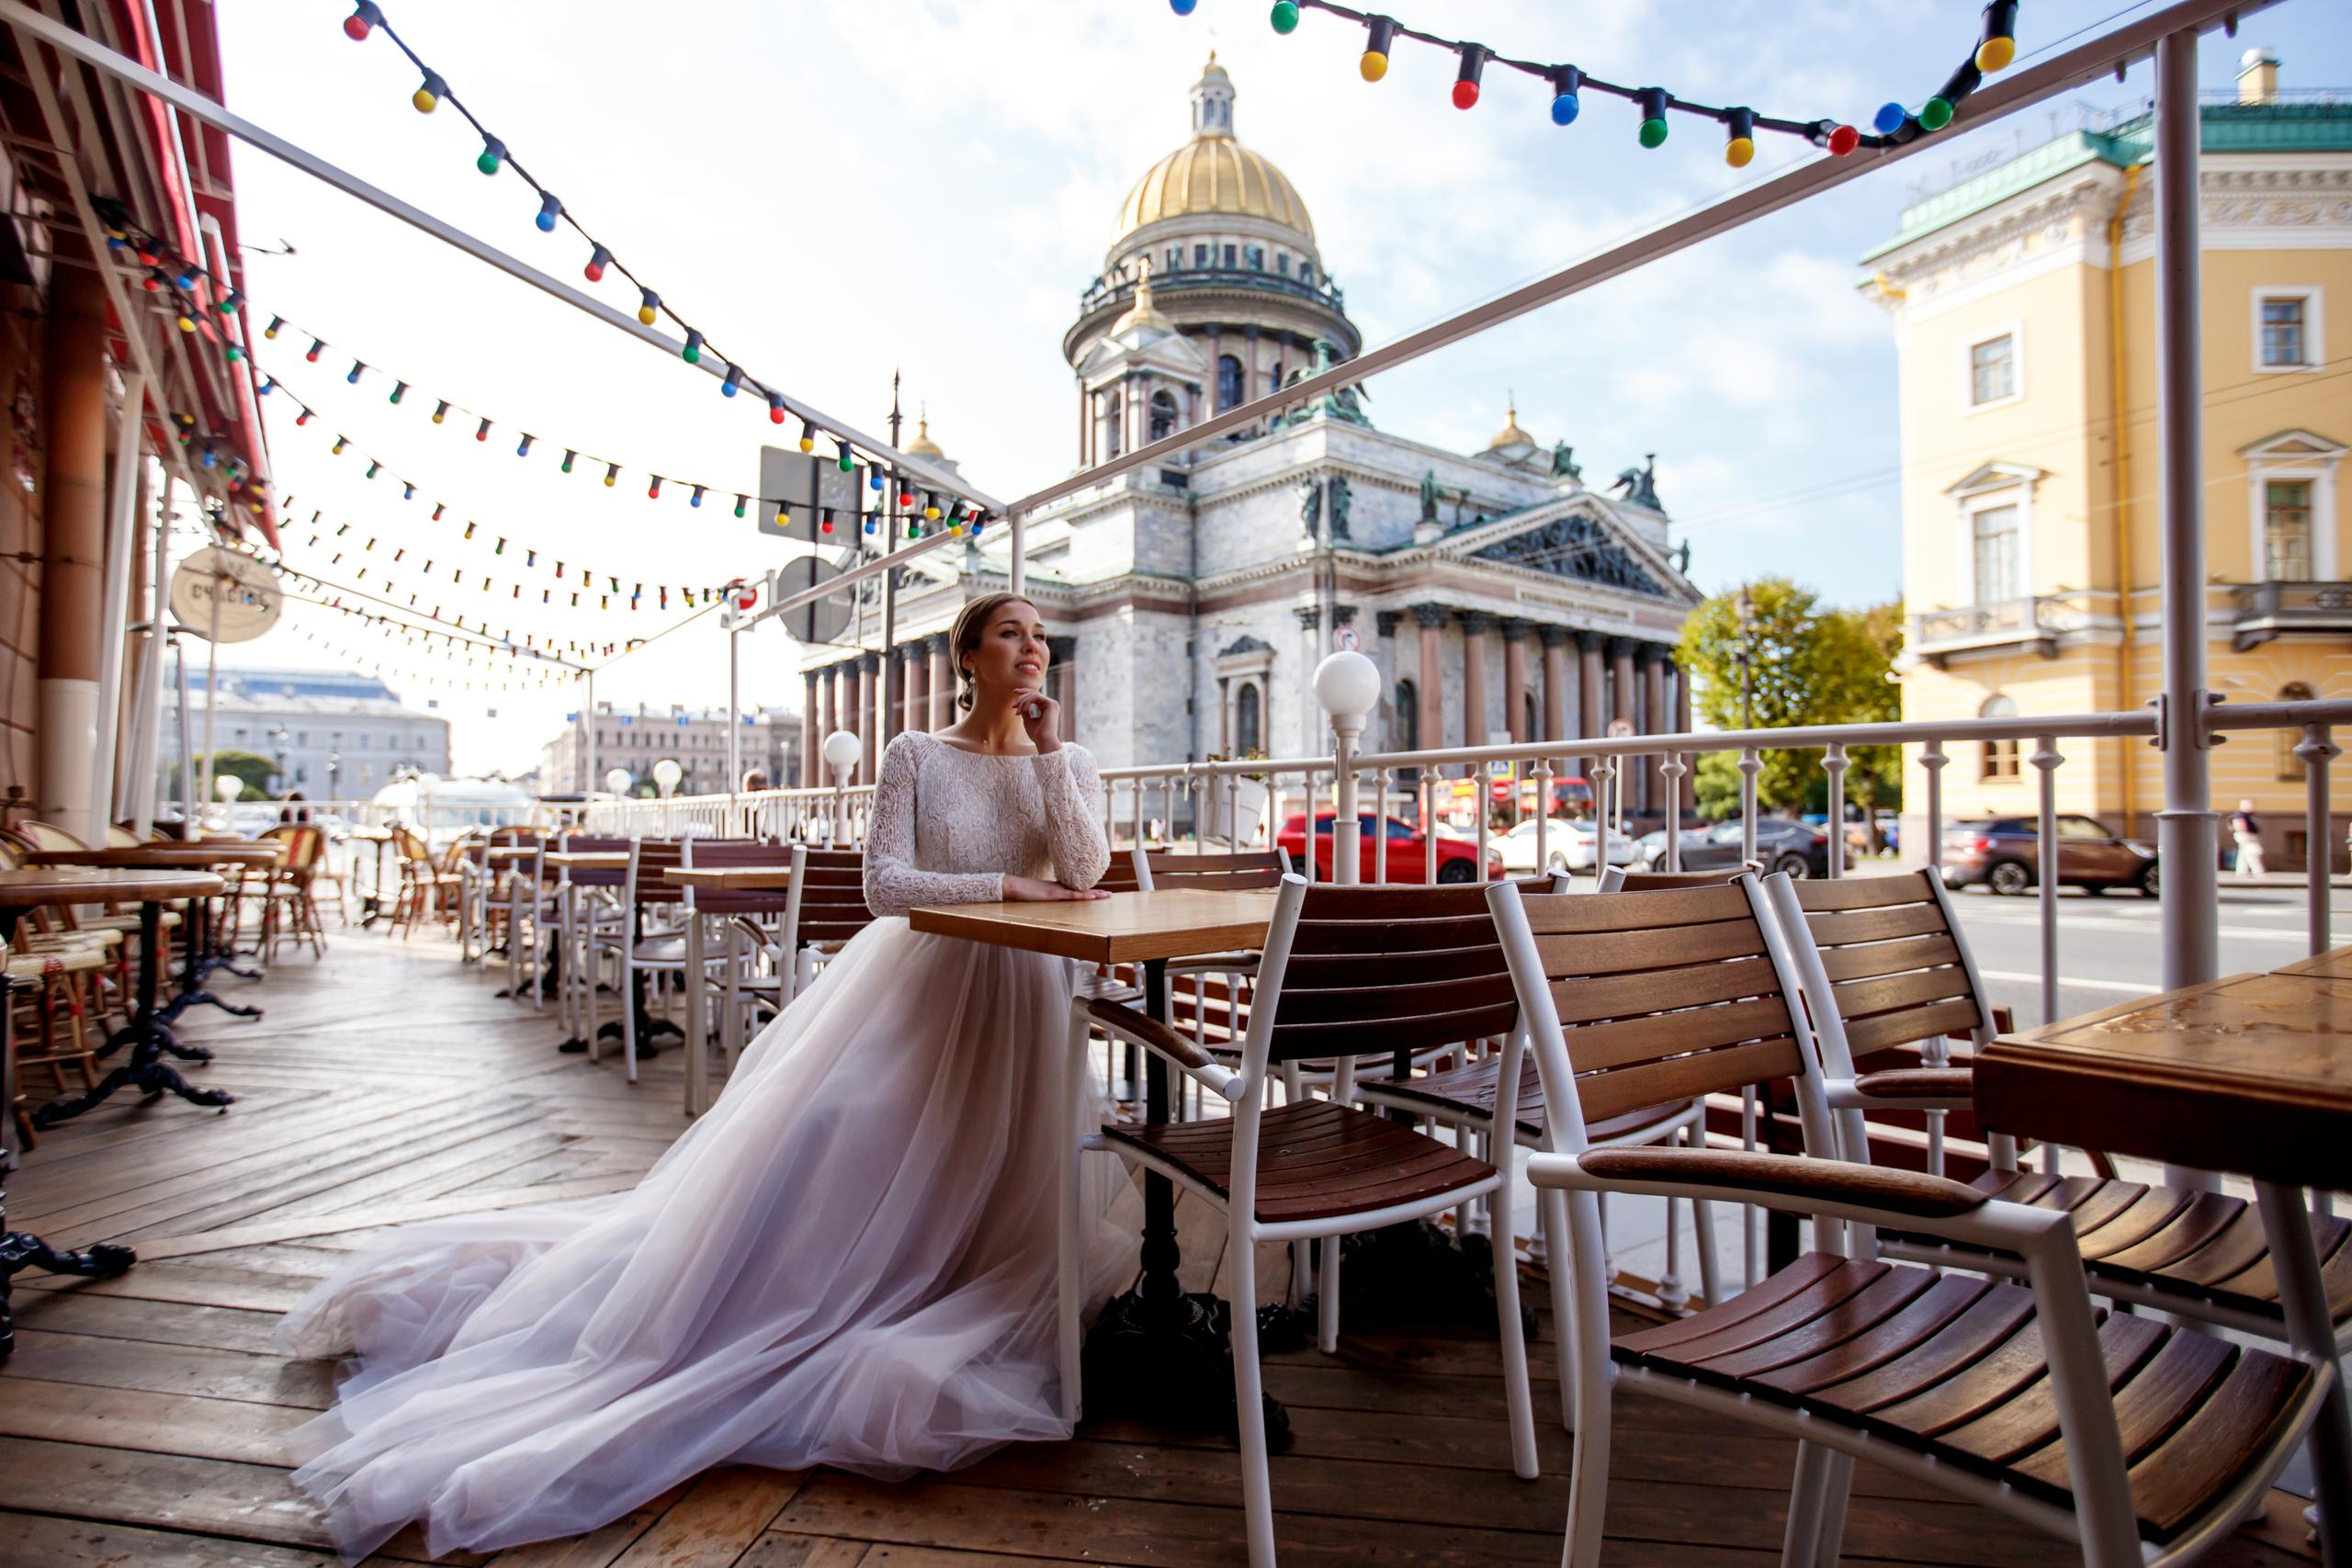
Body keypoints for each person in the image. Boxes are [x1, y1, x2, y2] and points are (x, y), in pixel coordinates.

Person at [275, 593, 1132, 1560]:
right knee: (836, 1129)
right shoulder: (914, 754)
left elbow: (1086, 868)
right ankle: (790, 1288)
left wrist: (1049, 752)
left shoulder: (1068, 759)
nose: (1032, 648)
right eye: (1011, 632)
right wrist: (1003, 884)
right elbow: (884, 884)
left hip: (1030, 990)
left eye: (1039, 635)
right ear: (967, 656)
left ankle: (954, 1270)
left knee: (1011, 1162)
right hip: (927, 979)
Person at [2231, 797, 2266, 878]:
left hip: (2248, 835)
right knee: (2253, 853)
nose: (2251, 806)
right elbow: (2240, 824)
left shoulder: (2248, 815)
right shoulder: (2241, 814)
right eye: (2249, 804)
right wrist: (2245, 834)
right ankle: (2258, 871)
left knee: (2243, 854)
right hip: (2246, 836)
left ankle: (2241, 872)